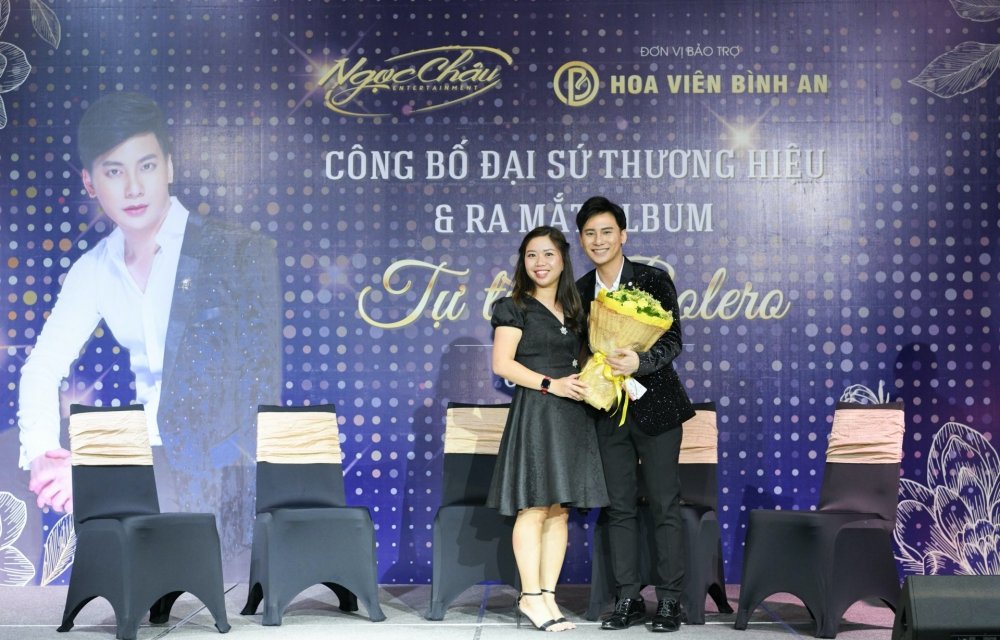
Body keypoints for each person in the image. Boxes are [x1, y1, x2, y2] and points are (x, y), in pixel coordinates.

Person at [17, 92, 281, 569]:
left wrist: (107, 476)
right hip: (144, 463)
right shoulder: (94, 269)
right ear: (90, 183)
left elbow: (257, 397)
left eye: (147, 166)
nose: (134, 188)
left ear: (170, 167)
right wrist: (44, 454)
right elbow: (42, 367)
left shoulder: (235, 252)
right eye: (114, 171)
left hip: (224, 472)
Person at [575, 196, 695, 633]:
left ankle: (670, 600)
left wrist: (639, 362)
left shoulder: (652, 279)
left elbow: (673, 338)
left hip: (657, 407)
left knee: (664, 504)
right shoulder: (579, 291)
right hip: (608, 411)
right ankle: (627, 597)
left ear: (623, 235)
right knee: (619, 508)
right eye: (590, 233)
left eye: (607, 231)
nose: (599, 240)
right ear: (581, 240)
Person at [487, 226, 609, 632]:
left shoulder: (576, 310)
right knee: (534, 506)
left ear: (563, 260)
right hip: (538, 412)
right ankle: (529, 596)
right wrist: (549, 384)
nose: (539, 263)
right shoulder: (513, 307)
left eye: (548, 255)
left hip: (572, 416)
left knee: (559, 510)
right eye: (531, 255)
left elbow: (586, 361)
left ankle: (547, 596)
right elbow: (502, 364)